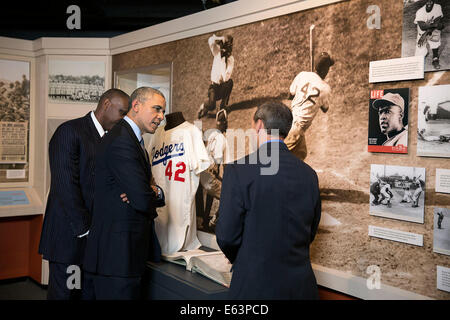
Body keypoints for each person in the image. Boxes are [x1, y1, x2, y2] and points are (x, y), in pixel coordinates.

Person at [216, 101, 321, 299]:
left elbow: (226, 236)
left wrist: (241, 258)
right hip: (301, 288)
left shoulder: (238, 170)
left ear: (259, 125)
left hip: (255, 287)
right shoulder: (309, 175)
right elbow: (310, 231)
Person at [38, 88, 130, 300]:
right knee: (67, 294)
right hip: (70, 238)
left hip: (94, 240)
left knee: (85, 295)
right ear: (106, 104)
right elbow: (65, 186)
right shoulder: (69, 131)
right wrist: (86, 230)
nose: (123, 119)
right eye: (122, 112)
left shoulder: (111, 139)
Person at [82, 87, 166, 300]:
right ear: (136, 106)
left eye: (163, 111)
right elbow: (141, 198)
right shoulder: (122, 140)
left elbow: (142, 192)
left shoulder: (130, 138)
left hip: (122, 255)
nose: (161, 117)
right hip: (117, 257)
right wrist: (149, 192)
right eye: (156, 109)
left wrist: (149, 190)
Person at [284, 52, 334, 160]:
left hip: (289, 121)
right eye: (328, 68)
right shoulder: (325, 88)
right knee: (278, 159)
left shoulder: (302, 75)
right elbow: (325, 109)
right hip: (296, 129)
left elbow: (290, 94)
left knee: (301, 154)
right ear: (325, 69)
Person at [198, 33, 234, 119]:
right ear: (221, 46)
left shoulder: (230, 59)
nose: (225, 51)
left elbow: (226, 77)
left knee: (230, 83)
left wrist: (224, 61)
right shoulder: (216, 53)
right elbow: (210, 40)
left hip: (223, 86)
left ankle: (223, 106)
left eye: (228, 49)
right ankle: (204, 107)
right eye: (224, 48)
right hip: (214, 87)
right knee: (211, 106)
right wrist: (221, 38)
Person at [414, 0, 444, 69]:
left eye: (431, 1)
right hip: (421, 33)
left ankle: (435, 58)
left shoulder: (438, 7)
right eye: (427, 1)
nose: (429, 3)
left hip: (431, 31)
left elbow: (437, 21)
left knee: (436, 38)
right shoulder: (420, 12)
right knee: (418, 58)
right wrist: (435, 25)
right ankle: (424, 52)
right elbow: (422, 27)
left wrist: (426, 34)